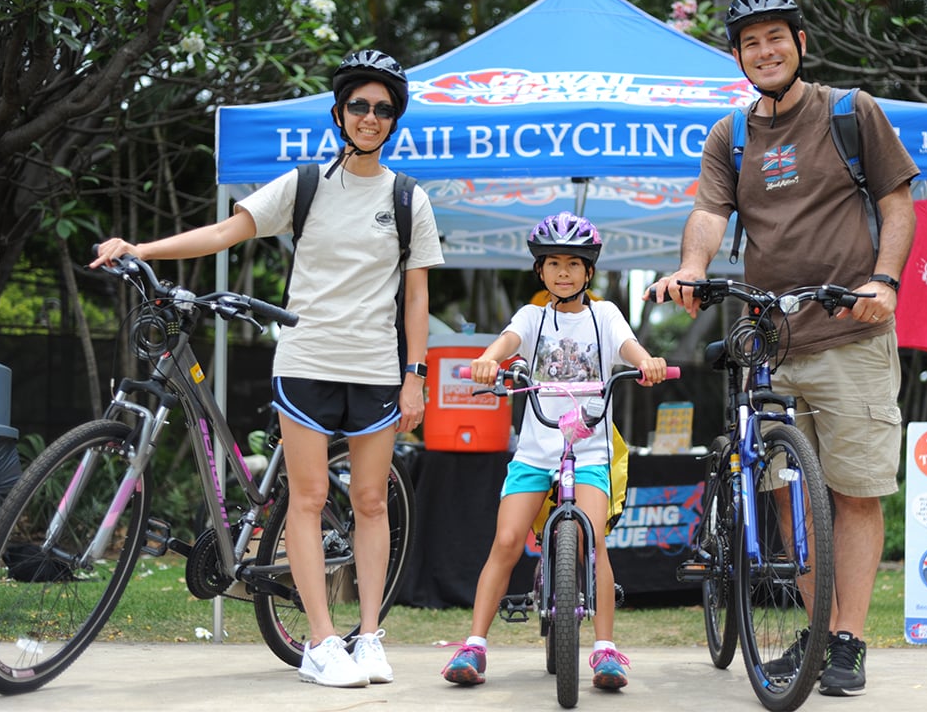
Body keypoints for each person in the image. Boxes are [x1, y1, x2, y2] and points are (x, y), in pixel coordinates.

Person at [92, 50, 444, 688]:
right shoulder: (304, 184)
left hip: (375, 366)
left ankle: (369, 637)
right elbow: (226, 232)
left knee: (369, 501)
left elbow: (416, 297)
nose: (370, 116)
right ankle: (321, 642)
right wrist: (140, 248)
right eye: (359, 105)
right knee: (306, 498)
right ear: (340, 112)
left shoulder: (407, 198)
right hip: (307, 359)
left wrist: (415, 373)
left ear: (394, 121)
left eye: (383, 108)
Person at [650, 0, 917, 697]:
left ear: (800, 41)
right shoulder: (730, 135)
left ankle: (849, 640)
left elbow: (896, 201)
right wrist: (691, 268)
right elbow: (709, 213)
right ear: (737, 56)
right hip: (771, 342)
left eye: (776, 38)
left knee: (854, 493)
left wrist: (884, 282)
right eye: (749, 43)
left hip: (850, 331)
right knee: (788, 498)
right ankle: (820, 629)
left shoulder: (849, 114)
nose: (764, 52)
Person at [442, 212, 669, 691]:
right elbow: (508, 342)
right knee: (505, 542)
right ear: (540, 272)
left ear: (588, 272)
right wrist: (487, 360)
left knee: (595, 541)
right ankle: (474, 646)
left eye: (573, 263)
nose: (563, 272)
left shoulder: (604, 315)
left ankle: (606, 649)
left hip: (589, 451)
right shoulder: (532, 316)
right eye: (553, 264)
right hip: (536, 449)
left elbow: (628, 346)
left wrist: (645, 361)